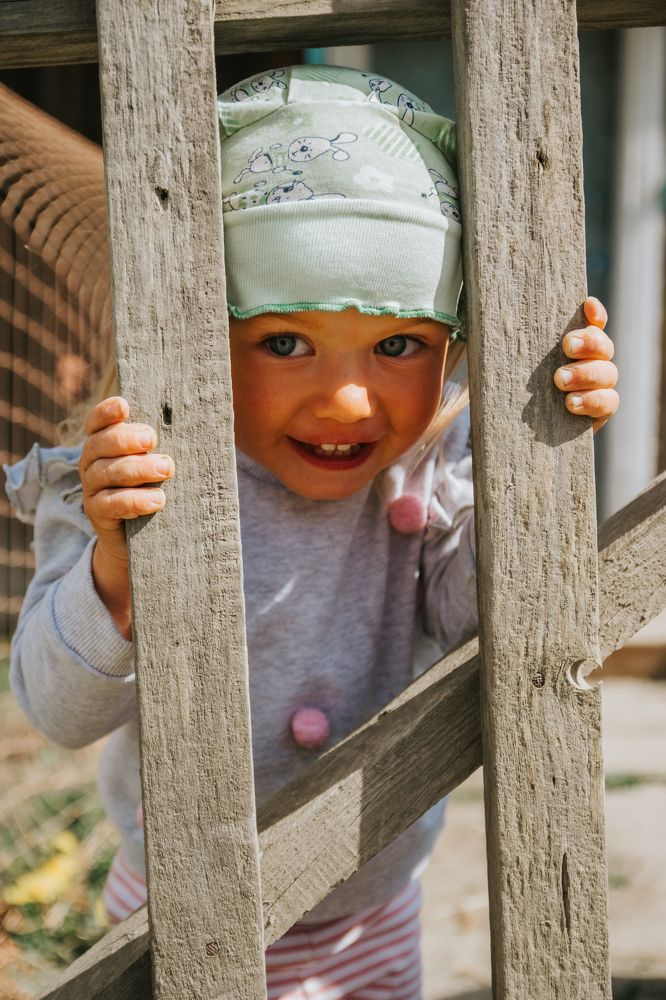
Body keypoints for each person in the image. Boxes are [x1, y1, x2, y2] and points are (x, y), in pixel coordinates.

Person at [3, 65, 618, 999]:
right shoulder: (125, 483)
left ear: (453, 348)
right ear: (199, 335)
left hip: (372, 916)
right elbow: (59, 712)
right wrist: (116, 577)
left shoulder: (423, 477)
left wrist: (540, 440)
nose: (345, 398)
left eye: (399, 344)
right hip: (179, 918)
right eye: (285, 341)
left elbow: (484, 620)